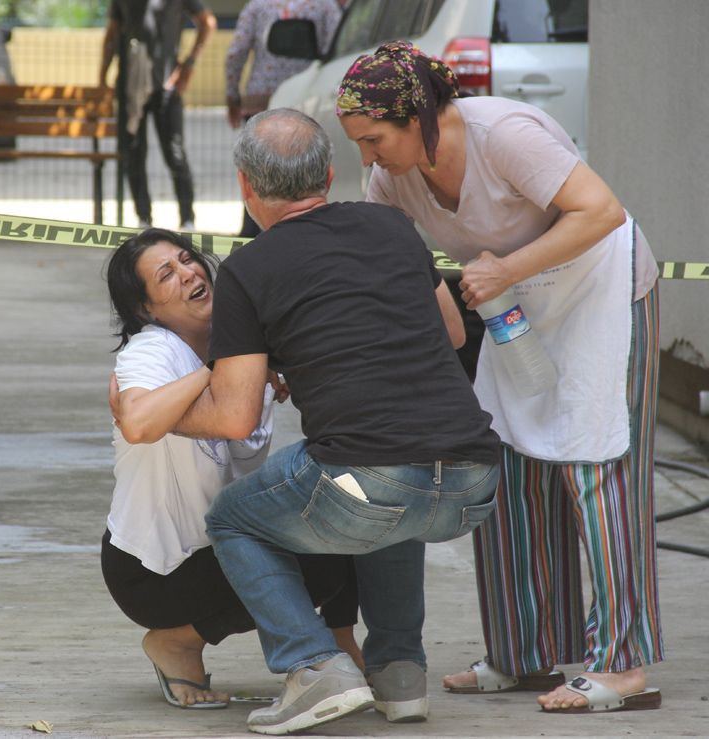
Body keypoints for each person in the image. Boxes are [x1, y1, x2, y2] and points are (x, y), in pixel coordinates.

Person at [335, 40, 663, 714]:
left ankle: (623, 666)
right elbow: (391, 266)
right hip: (517, 307)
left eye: (373, 139)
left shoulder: (503, 135)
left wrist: (506, 270)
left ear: (416, 115)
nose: (368, 157)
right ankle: (522, 653)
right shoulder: (393, 177)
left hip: (602, 290)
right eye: (358, 145)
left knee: (597, 466)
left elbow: (599, 211)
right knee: (505, 462)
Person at [164, 108, 501, 735]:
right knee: (387, 502)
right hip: (474, 480)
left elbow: (235, 417)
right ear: (326, 172)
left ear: (245, 185)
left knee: (234, 517)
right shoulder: (393, 226)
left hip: (374, 480)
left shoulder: (248, 268)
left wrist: (161, 417)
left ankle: (313, 664)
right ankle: (400, 677)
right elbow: (453, 332)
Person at [102, 227, 362, 709]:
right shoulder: (152, 350)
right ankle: (176, 641)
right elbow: (136, 421)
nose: (188, 273)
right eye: (167, 274)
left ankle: (344, 654)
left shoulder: (243, 346)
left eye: (187, 259)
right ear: (146, 310)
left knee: (350, 508)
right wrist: (218, 365)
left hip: (217, 546)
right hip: (155, 569)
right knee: (319, 562)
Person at [225, 0, 342, 237]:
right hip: (307, 101)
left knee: (259, 171)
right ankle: (305, 229)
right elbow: (338, 51)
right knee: (305, 172)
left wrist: (232, 95)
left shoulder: (257, 6)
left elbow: (235, 53)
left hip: (261, 103)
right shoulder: (325, 6)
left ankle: (252, 233)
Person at [99, 0, 216, 230]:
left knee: (174, 153)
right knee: (133, 153)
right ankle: (144, 219)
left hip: (167, 87)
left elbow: (207, 22)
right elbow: (112, 34)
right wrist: (102, 79)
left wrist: (189, 63)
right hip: (130, 86)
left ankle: (187, 219)